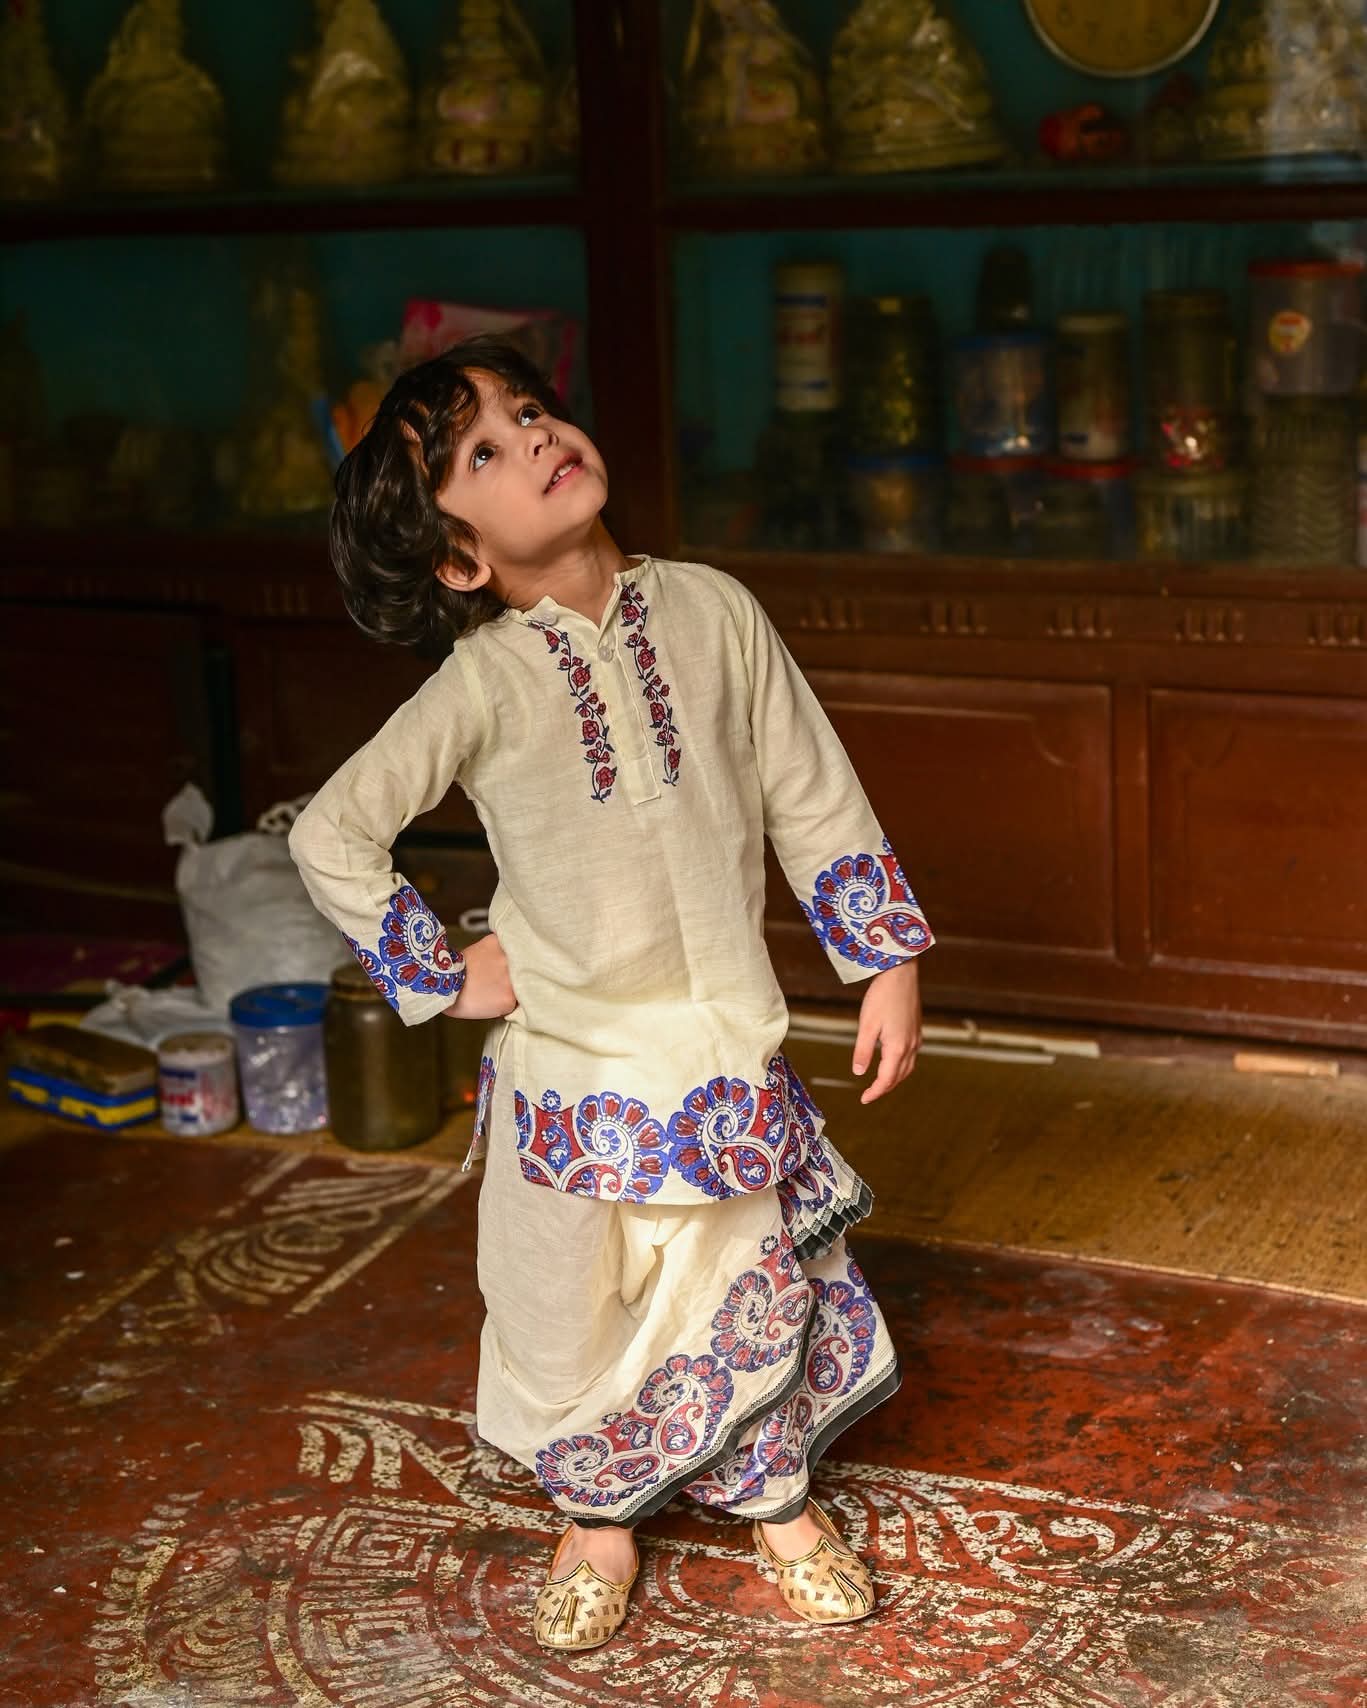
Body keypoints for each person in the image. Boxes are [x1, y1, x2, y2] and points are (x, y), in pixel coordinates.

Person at [288, 334, 935, 1651]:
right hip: (570, 1064)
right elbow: (330, 833)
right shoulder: (482, 681)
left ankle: (778, 1506)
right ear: (459, 559)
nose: (534, 436)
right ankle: (598, 1520)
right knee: (560, 1310)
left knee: (735, 1277)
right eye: (485, 449)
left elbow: (812, 791)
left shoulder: (714, 612)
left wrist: (886, 960)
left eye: (532, 410)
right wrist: (439, 973)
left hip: (716, 1048)